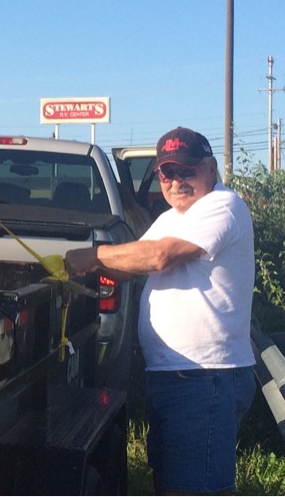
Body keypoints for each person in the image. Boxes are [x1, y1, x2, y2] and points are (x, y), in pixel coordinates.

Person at [65, 126, 256, 495]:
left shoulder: (223, 205)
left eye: (187, 170)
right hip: (171, 375)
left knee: (197, 488)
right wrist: (82, 270)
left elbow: (158, 256)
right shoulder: (172, 219)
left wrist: (94, 255)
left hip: (205, 377)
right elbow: (132, 265)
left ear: (211, 169)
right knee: (168, 482)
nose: (176, 181)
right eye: (167, 172)